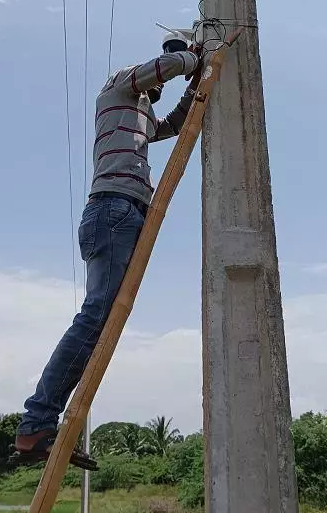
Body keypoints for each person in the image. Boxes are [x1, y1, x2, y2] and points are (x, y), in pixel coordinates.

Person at [11, 30, 203, 469]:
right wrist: (194, 55)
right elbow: (165, 68)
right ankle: (36, 423)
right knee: (95, 315)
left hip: (121, 213)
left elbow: (173, 125)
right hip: (114, 210)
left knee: (98, 316)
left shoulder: (137, 115)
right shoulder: (118, 85)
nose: (157, 87)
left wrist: (195, 86)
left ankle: (37, 423)